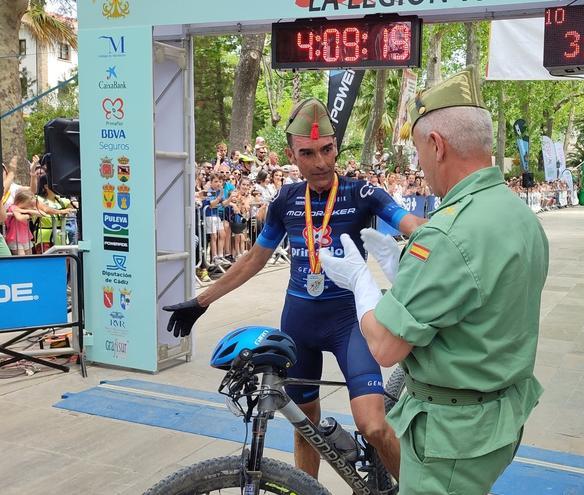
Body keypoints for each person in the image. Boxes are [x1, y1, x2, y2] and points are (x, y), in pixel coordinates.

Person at [163, 98, 427, 484]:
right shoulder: (285, 201)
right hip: (299, 323)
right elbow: (254, 259)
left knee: (373, 426)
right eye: (307, 153)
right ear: (292, 155)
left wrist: (450, 236)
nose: (320, 162)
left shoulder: (362, 193)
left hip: (349, 322)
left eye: (327, 150)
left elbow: (412, 224)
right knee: (306, 427)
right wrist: (202, 300)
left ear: (336, 147)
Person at [319, 68, 548, 494]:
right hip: (497, 416)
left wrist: (359, 281)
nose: (421, 166)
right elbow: (472, 297)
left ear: (437, 145)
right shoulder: (517, 215)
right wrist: (404, 270)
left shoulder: (447, 232)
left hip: (452, 433)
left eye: (419, 151)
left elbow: (385, 346)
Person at [5, 189, 41, 255]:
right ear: (20, 201)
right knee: (21, 258)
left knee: (29, 257)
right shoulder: (13, 207)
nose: (30, 206)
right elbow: (19, 218)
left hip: (25, 237)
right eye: (28, 204)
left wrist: (27, 211)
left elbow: (41, 213)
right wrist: (29, 215)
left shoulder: (25, 209)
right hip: (15, 238)